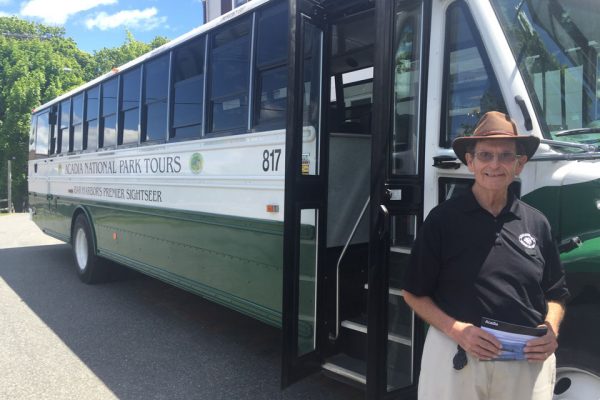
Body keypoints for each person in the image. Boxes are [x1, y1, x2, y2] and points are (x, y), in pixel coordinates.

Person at [403, 111, 569, 400]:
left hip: (526, 361)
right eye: (485, 155)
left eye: (506, 156)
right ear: (471, 162)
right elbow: (413, 293)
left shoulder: (537, 223)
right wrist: (456, 330)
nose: (495, 164)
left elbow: (556, 293)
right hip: (457, 354)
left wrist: (550, 329)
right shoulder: (442, 220)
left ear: (520, 164)